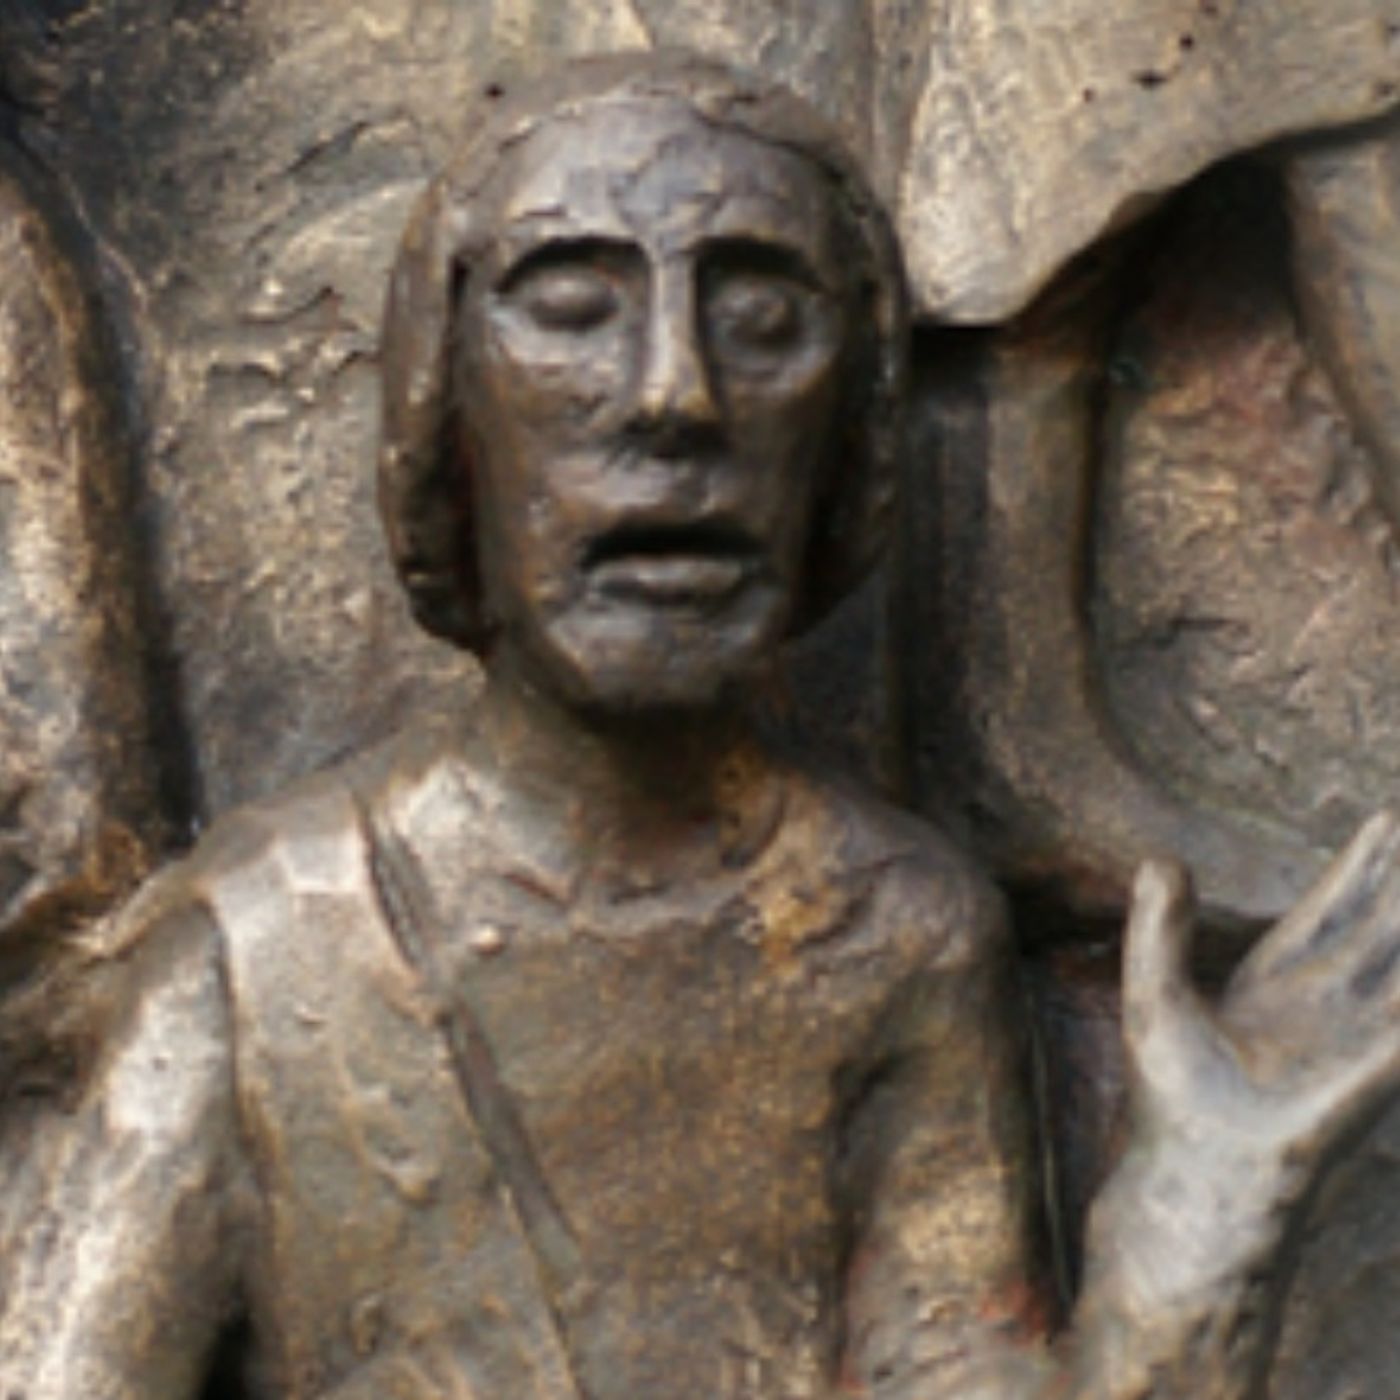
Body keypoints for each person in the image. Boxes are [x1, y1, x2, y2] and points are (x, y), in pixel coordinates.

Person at [5, 52, 1400, 1400]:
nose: (675, 393)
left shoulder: (901, 933)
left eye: (765, 315)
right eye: (571, 305)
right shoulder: (263, 953)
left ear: (850, 426)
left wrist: (1197, 1225)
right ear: (447, 404)